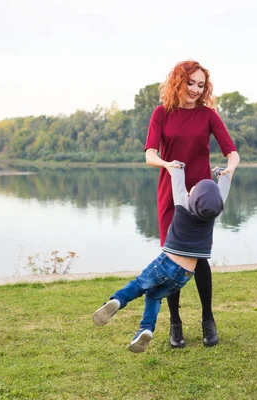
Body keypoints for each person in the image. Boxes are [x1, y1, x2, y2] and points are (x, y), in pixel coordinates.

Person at [144, 60, 240, 348]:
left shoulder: (208, 115)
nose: (196, 89)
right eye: (191, 83)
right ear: (178, 82)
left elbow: (232, 152)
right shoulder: (161, 114)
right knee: (172, 257)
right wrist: (167, 164)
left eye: (201, 85)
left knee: (199, 258)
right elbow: (150, 154)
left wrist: (229, 169)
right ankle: (175, 323)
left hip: (201, 197)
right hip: (170, 194)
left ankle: (207, 319)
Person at [92, 162, 233, 353]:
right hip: (185, 275)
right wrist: (220, 173)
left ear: (192, 195)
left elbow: (177, 176)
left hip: (165, 264)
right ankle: (145, 329)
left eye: (194, 188)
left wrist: (178, 165)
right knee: (153, 296)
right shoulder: (214, 210)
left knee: (140, 285)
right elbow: (224, 184)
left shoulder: (183, 203)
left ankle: (117, 300)